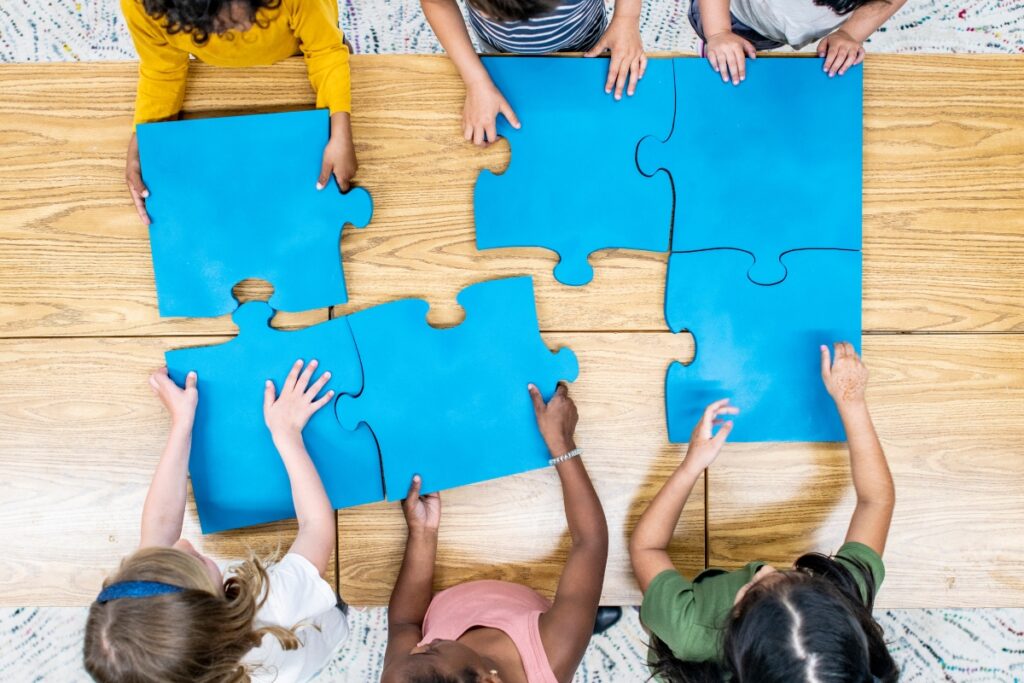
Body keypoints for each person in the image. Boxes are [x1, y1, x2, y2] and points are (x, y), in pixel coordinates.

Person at [630, 343, 899, 682]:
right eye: (795, 576)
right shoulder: (846, 593)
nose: (764, 568)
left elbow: (646, 547)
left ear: (734, 637)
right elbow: (877, 501)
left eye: (751, 590)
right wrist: (853, 403)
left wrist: (690, 467)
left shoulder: (689, 631)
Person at [84, 359, 346, 683]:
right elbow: (316, 526)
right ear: (217, 612)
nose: (182, 542)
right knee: (332, 611)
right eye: (193, 558)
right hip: (306, 639)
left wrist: (181, 423)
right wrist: (287, 433)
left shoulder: (166, 633)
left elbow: (158, 529)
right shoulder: (272, 607)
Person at [380, 383, 608, 683]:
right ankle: (590, 615)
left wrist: (422, 534)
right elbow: (590, 543)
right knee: (585, 601)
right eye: (431, 650)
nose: (419, 644)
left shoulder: (408, 673)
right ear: (488, 679)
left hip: (452, 583)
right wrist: (562, 444)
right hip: (532, 582)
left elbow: (405, 623)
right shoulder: (552, 657)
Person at [120, 0, 358, 224]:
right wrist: (147, 138)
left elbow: (325, 52)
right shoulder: (142, 5)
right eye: (221, 25)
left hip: (300, 52)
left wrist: (340, 127)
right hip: (219, 78)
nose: (242, 28)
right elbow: (163, 70)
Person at [420, 0, 647, 147]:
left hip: (583, 34)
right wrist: (476, 81)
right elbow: (437, 3)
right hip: (500, 48)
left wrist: (627, 18)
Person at [688, 0, 908, 84]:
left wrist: (849, 34)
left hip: (777, 32)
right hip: (734, 13)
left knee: (753, 49)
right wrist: (718, 33)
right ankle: (715, 45)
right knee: (724, 52)